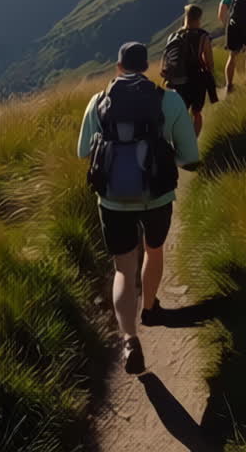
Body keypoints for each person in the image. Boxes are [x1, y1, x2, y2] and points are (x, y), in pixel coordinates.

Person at [78, 41, 200, 374]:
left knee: (122, 269)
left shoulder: (98, 101)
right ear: (146, 67)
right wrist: (166, 156)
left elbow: (81, 151)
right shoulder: (169, 100)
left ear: (118, 67)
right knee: (154, 251)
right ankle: (149, 308)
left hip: (113, 200)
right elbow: (191, 156)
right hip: (156, 196)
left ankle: (130, 339)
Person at [161, 4, 215, 136]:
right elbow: (210, 62)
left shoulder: (174, 36)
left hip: (178, 81)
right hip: (196, 80)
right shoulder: (203, 37)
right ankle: (194, 142)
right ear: (199, 18)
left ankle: (179, 142)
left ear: (186, 17)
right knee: (196, 113)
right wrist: (210, 78)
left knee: (180, 113)